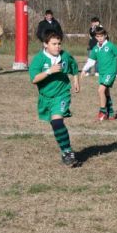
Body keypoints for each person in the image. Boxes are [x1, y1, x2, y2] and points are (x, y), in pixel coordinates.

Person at [29, 30, 81, 167]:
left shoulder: (65, 56)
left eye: (59, 43)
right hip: (45, 98)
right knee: (54, 124)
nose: (57, 46)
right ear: (45, 44)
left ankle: (67, 152)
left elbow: (74, 67)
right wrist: (49, 71)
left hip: (62, 94)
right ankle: (65, 150)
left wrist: (76, 81)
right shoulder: (38, 59)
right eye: (54, 44)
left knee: (57, 121)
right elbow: (34, 79)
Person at [80, 27, 117, 121]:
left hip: (110, 72)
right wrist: (84, 70)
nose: (100, 38)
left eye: (101, 36)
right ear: (95, 37)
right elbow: (91, 61)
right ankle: (110, 113)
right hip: (102, 73)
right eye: (98, 36)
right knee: (106, 91)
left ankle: (103, 112)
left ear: (105, 36)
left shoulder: (111, 46)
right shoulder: (95, 49)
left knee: (101, 90)